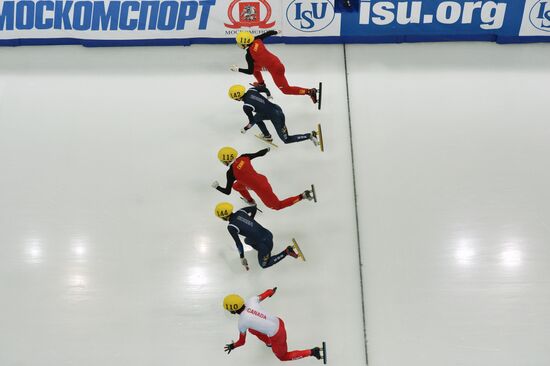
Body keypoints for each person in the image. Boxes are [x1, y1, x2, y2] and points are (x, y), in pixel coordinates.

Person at [223, 288, 325, 362]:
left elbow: (242, 342)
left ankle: (312, 352)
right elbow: (265, 293)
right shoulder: (252, 300)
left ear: (233, 310)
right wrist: (271, 291)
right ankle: (269, 342)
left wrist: (233, 346)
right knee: (251, 329)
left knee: (283, 357)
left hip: (277, 335)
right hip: (279, 322)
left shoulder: (242, 323)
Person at [212, 146, 315, 210]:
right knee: (236, 186)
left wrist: (217, 187)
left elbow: (227, 191)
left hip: (262, 188)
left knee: (277, 206)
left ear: (224, 161)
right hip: (261, 179)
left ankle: (303, 196)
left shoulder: (230, 173)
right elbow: (259, 153)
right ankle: (250, 201)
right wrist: (267, 149)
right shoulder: (244, 157)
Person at [230, 30, 318, 105]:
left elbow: (249, 71)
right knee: (255, 68)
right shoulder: (257, 39)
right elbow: (268, 33)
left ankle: (309, 91)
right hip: (275, 62)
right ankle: (261, 84)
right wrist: (276, 32)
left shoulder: (248, 55)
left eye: (240, 43)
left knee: (286, 90)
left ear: (245, 43)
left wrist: (238, 69)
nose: (239, 45)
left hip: (276, 70)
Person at [214, 202, 301, 270]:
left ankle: (287, 251)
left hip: (265, 245)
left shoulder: (231, 227)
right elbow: (254, 208)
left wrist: (242, 257)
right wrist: (250, 220)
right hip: (268, 234)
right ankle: (263, 251)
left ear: (224, 217)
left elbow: (238, 244)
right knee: (246, 240)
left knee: (264, 265)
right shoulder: (241, 211)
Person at [228, 84, 319, 146]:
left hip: (277, 118)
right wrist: (268, 95)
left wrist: (245, 129)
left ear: (237, 98)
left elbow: (251, 122)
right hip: (277, 108)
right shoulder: (251, 90)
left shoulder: (246, 106)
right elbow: (264, 88)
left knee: (286, 140)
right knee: (257, 118)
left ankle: (310, 136)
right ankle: (267, 136)